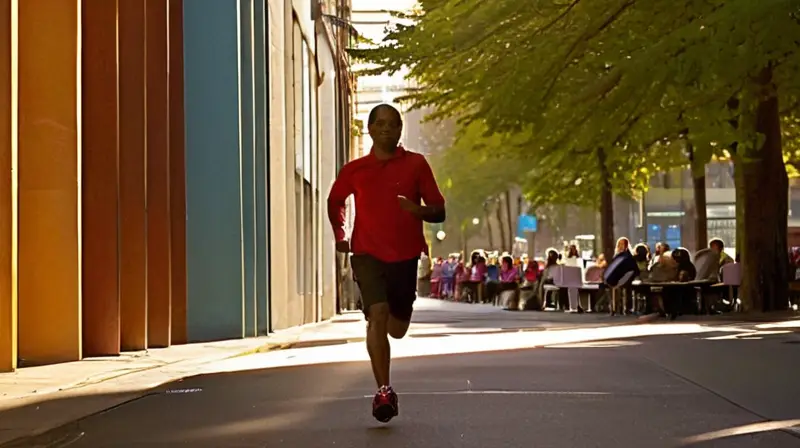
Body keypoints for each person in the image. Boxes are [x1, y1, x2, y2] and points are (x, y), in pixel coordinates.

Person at [327, 104, 446, 423]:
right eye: (380, 124)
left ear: (399, 131)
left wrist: (415, 210)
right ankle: (383, 390)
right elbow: (335, 200)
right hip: (366, 253)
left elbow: (439, 210)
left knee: (398, 327)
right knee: (376, 316)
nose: (387, 130)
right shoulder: (355, 170)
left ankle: (395, 322)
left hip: (405, 256)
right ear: (370, 129)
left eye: (393, 125)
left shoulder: (416, 165)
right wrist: (340, 233)